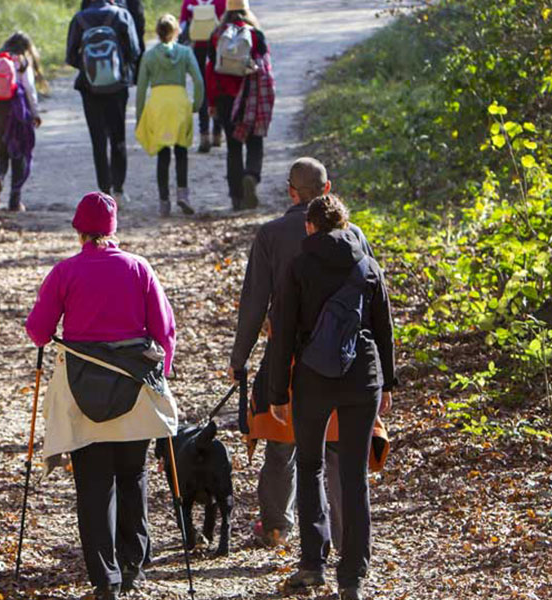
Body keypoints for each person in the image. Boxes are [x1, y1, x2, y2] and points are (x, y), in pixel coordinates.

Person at [26, 192, 178, 600]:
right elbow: (164, 331)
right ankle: (134, 565)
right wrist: (160, 375)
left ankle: (105, 579)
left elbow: (39, 332)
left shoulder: (64, 273)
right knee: (133, 476)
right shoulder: (138, 268)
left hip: (82, 391)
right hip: (134, 390)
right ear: (114, 229)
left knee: (94, 485)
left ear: (78, 231)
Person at [227, 158, 369, 549]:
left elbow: (254, 302)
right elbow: (370, 298)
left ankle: (275, 525)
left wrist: (239, 359)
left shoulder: (271, 235)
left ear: (291, 191)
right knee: (337, 448)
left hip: (288, 354)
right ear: (328, 190)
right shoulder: (354, 234)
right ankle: (343, 536)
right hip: (344, 356)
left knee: (283, 441)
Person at [267, 194, 397, 600]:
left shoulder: (299, 267)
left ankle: (312, 563)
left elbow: (283, 330)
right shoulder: (366, 264)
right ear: (344, 225)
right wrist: (388, 383)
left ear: (309, 226)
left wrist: (276, 391)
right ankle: (352, 576)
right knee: (354, 476)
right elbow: (383, 327)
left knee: (309, 465)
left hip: (313, 377)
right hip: (363, 376)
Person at [67, 0, 142, 206]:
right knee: (118, 137)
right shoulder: (122, 16)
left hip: (89, 88)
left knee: (98, 140)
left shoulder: (79, 19)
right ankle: (119, 189)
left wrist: (91, 70)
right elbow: (134, 51)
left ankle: (104, 190)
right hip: (118, 87)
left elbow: (71, 57)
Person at [205, 0, 273, 210]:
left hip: (226, 99)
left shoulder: (217, 35)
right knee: (255, 141)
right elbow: (265, 68)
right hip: (250, 97)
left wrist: (212, 101)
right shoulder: (255, 35)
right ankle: (251, 176)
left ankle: (236, 198)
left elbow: (210, 70)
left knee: (233, 148)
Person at [135, 14, 203, 217]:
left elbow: (140, 89)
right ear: (176, 32)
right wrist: (196, 105)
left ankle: (164, 201)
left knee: (163, 154)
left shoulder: (149, 56)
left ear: (157, 32)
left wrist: (140, 116)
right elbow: (198, 81)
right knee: (181, 151)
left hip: (158, 104)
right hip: (180, 103)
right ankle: (183, 193)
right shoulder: (185, 52)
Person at [0, 32, 44, 211]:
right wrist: (35, 113)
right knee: (19, 155)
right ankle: (15, 201)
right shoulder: (21, 62)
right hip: (19, 113)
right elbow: (30, 91)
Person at [178, 0, 227, 152]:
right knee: (217, 87)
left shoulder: (189, 2)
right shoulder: (221, 2)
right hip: (217, 48)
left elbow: (182, 27)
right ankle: (217, 133)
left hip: (197, 48)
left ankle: (204, 133)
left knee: (201, 87)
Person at [80, 0, 145, 80]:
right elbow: (137, 32)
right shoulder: (123, 12)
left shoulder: (81, 14)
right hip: (119, 67)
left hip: (91, 69)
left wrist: (84, 65)